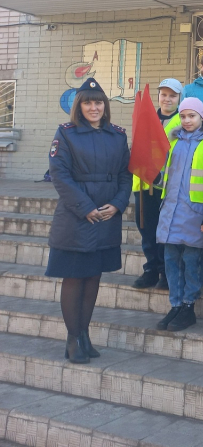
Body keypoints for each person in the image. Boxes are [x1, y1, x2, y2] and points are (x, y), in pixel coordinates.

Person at [46, 79, 132, 363]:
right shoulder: (66, 133)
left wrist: (118, 205)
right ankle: (73, 338)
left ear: (105, 106)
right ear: (79, 106)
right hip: (76, 216)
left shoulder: (117, 135)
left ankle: (84, 334)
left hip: (106, 215)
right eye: (88, 102)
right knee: (75, 277)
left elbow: (124, 174)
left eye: (98, 103)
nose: (94, 108)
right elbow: (60, 175)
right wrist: (85, 208)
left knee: (93, 277)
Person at [156, 98, 203, 333]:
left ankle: (188, 306)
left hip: (196, 215)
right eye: (183, 116)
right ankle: (175, 305)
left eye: (192, 116)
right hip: (171, 214)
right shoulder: (173, 141)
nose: (187, 121)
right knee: (171, 262)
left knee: (192, 262)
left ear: (201, 117)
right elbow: (164, 173)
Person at [132, 78, 183, 290]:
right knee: (146, 229)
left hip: (167, 186)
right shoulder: (147, 117)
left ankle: (165, 271)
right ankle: (151, 269)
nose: (167, 99)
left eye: (172, 95)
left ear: (179, 98)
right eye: (164, 94)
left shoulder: (183, 120)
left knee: (165, 231)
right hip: (144, 184)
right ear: (158, 96)